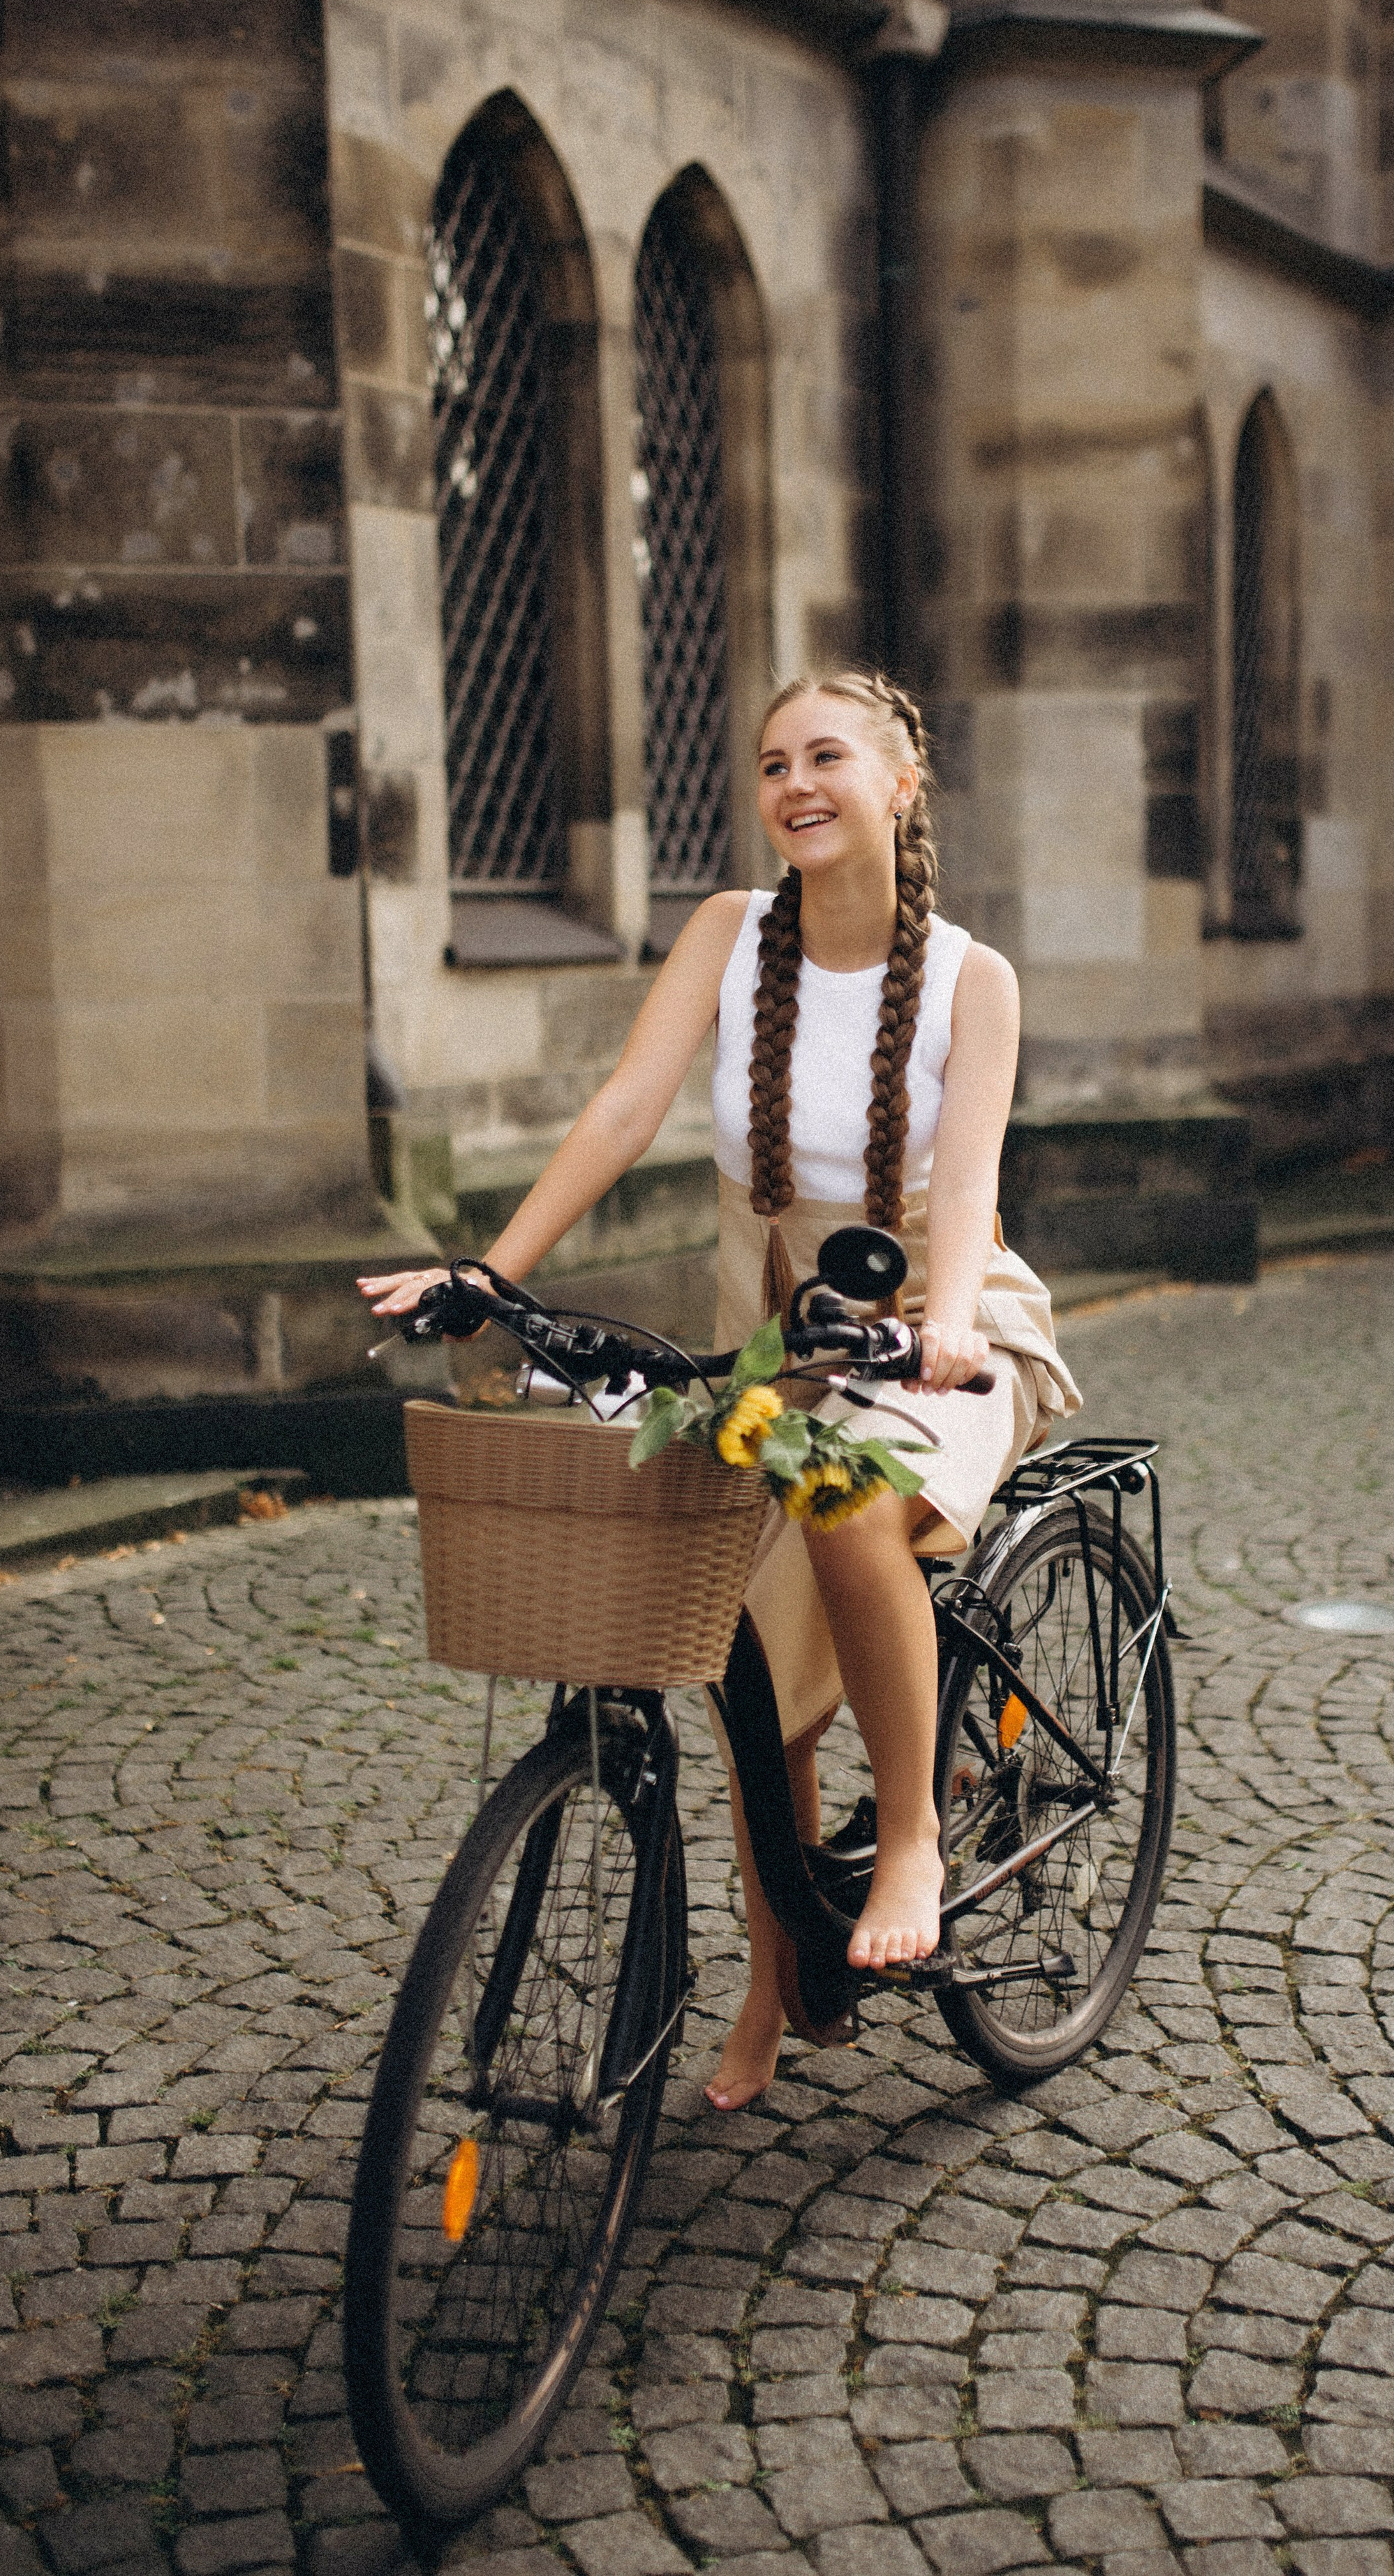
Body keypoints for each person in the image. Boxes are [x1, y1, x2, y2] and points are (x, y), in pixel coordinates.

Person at [361, 672, 1079, 2109]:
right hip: (766, 1342)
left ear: (899, 781)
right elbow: (626, 1107)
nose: (793, 782)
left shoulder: (968, 979)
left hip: (941, 1325)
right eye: (769, 764)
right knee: (754, 1679)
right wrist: (494, 1274)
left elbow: (970, 1190)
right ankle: (775, 1989)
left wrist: (941, 1321)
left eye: (824, 755)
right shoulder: (729, 935)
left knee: (841, 1507)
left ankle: (917, 1840)